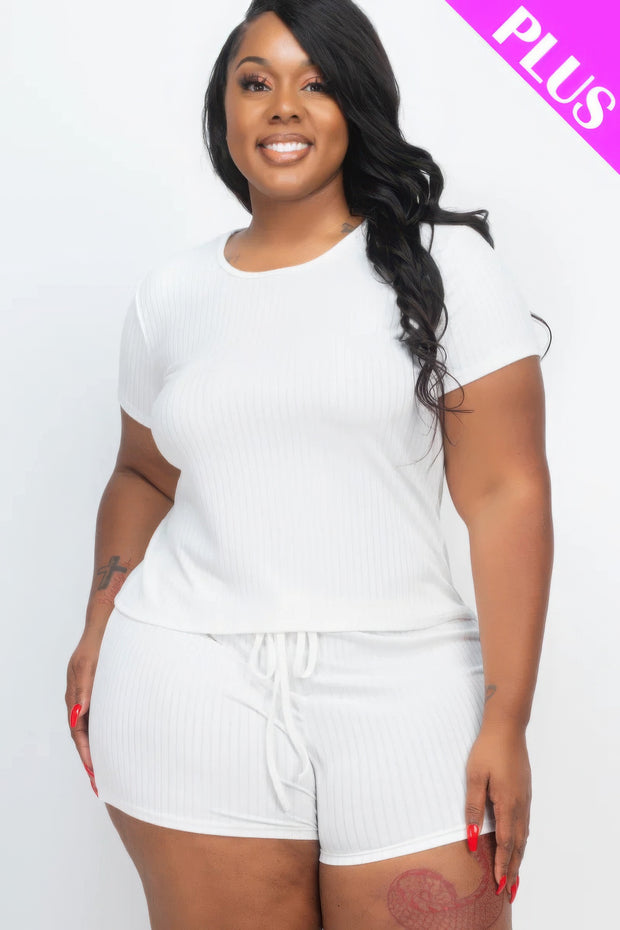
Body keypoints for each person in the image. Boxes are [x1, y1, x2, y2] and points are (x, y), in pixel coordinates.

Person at [65, 1, 553, 928]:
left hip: (406, 688)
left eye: (316, 82)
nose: (283, 105)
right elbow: (143, 475)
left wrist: (508, 716)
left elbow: (505, 492)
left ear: (355, 103)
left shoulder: (444, 268)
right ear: (224, 108)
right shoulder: (170, 296)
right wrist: (98, 624)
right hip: (187, 687)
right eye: (256, 82)